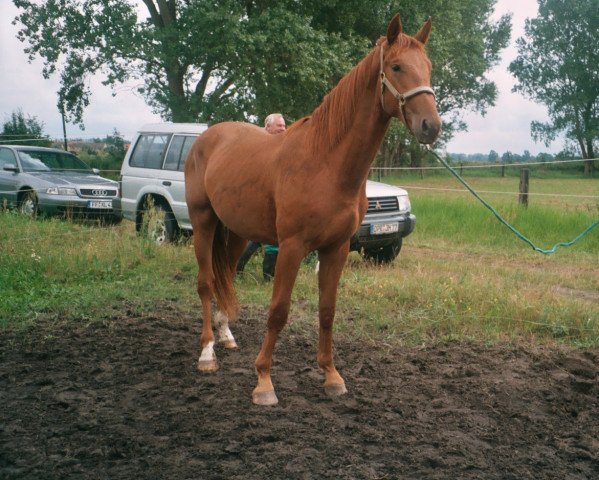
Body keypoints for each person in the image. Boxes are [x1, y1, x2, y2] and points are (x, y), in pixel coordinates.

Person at [236, 113, 286, 281]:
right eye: (279, 125)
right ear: (267, 127)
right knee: (262, 236)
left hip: (275, 198)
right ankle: (263, 275)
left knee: (263, 236)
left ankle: (263, 274)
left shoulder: (282, 145)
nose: (283, 128)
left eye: (284, 125)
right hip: (258, 198)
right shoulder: (259, 144)